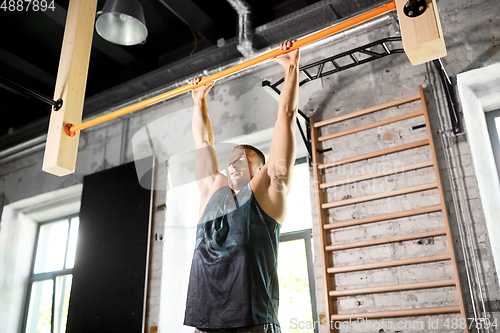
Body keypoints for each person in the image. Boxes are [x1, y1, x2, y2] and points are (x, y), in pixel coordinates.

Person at [183, 39, 300, 333]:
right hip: (205, 325)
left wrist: (291, 68)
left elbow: (285, 118)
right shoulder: (213, 193)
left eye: (243, 160)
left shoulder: (268, 194)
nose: (233, 164)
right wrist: (199, 101)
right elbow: (202, 142)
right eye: (232, 159)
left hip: (253, 324)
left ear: (259, 169)